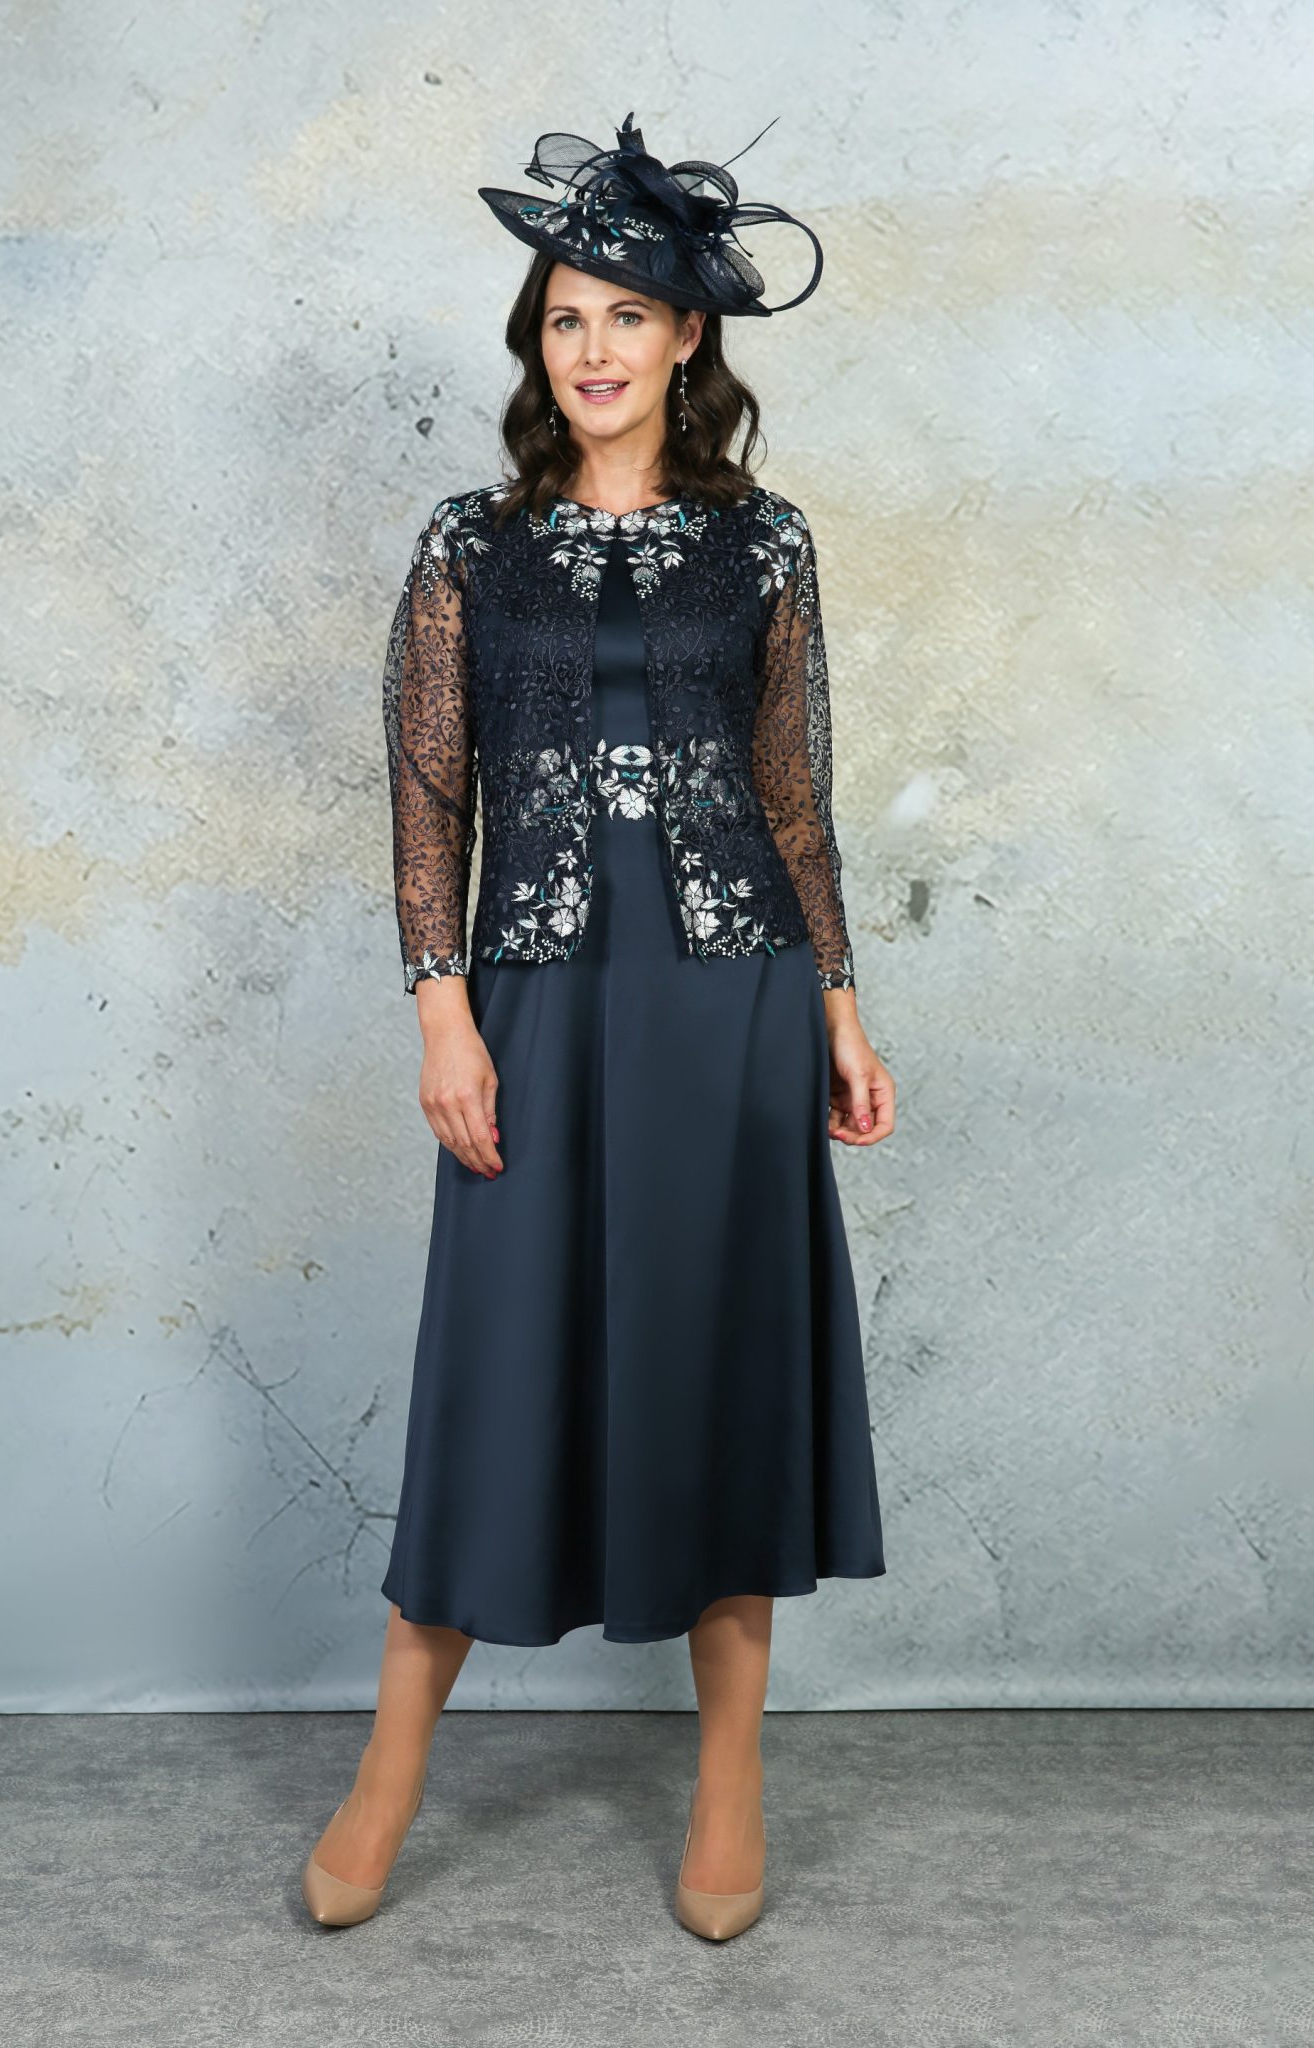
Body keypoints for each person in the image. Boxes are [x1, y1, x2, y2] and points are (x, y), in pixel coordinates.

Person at [301, 110, 895, 1942]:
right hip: (538, 996)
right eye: (566, 317)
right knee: (497, 1360)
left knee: (719, 1356)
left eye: (627, 314)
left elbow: (792, 797)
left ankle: (729, 1777)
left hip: (732, 999)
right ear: (536, 343)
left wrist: (842, 1011)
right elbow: (428, 801)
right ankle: (388, 1773)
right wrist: (442, 1014)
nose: (595, 347)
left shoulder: (764, 544)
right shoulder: (468, 545)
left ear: (686, 338)